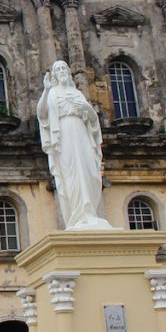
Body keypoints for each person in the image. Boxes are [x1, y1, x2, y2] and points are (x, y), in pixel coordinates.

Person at [37, 60, 113, 230]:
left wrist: (87, 110)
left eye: (64, 68)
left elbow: (92, 118)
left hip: (81, 132)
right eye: (58, 69)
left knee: (89, 171)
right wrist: (46, 90)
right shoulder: (52, 93)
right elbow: (42, 114)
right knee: (70, 173)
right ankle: (77, 215)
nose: (62, 71)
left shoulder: (77, 93)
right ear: (55, 75)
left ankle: (90, 213)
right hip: (64, 134)